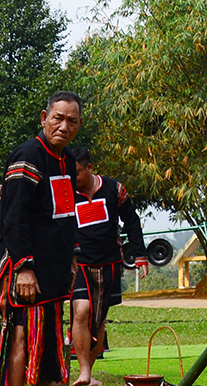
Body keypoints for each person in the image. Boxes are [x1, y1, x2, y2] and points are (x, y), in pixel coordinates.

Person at [0, 92, 83, 386]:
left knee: (49, 340)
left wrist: (72, 258)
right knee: (22, 336)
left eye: (72, 121)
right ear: (44, 118)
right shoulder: (28, 156)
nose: (63, 126)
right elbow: (14, 217)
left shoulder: (66, 159)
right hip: (24, 269)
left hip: (52, 268)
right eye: (58, 118)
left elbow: (66, 214)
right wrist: (23, 267)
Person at [66, 146, 148, 386]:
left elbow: (132, 220)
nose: (73, 179)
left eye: (77, 173)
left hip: (110, 263)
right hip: (80, 264)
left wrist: (140, 255)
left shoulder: (114, 189)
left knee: (99, 319)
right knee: (81, 311)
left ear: (89, 168)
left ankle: (88, 374)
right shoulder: (66, 193)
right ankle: (82, 372)